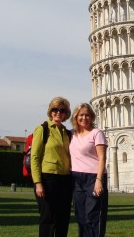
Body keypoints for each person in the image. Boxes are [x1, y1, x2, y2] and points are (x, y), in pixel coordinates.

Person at [31, 96, 73, 237]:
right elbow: (35, 157)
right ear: (50, 111)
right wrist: (38, 183)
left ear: (66, 114)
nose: (58, 113)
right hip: (47, 179)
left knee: (63, 219)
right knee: (48, 219)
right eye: (55, 109)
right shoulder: (42, 129)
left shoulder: (67, 133)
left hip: (65, 180)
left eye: (62, 110)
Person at [70, 103, 108, 237]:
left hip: (93, 177)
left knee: (93, 216)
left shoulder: (97, 133)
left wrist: (99, 180)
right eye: (81, 115)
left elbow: (102, 157)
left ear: (91, 117)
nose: (84, 118)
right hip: (76, 179)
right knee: (80, 217)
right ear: (76, 117)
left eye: (87, 115)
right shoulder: (72, 134)